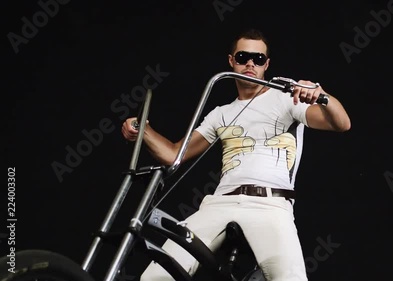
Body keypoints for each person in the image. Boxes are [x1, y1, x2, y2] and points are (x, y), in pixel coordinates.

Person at [121, 28, 351, 281]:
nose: (250, 63)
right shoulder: (220, 113)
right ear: (231, 61)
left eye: (258, 59)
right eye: (243, 57)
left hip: (270, 203)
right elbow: (174, 154)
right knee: (156, 277)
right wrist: (142, 128)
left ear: (267, 65)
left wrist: (322, 96)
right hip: (220, 202)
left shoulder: (286, 98)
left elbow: (341, 123)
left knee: (290, 278)